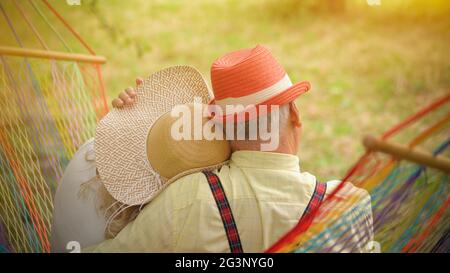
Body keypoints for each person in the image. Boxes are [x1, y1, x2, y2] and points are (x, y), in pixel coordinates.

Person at [86, 45, 374, 252]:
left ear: (222, 128)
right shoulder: (349, 207)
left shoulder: (188, 200)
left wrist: (133, 128)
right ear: (295, 115)